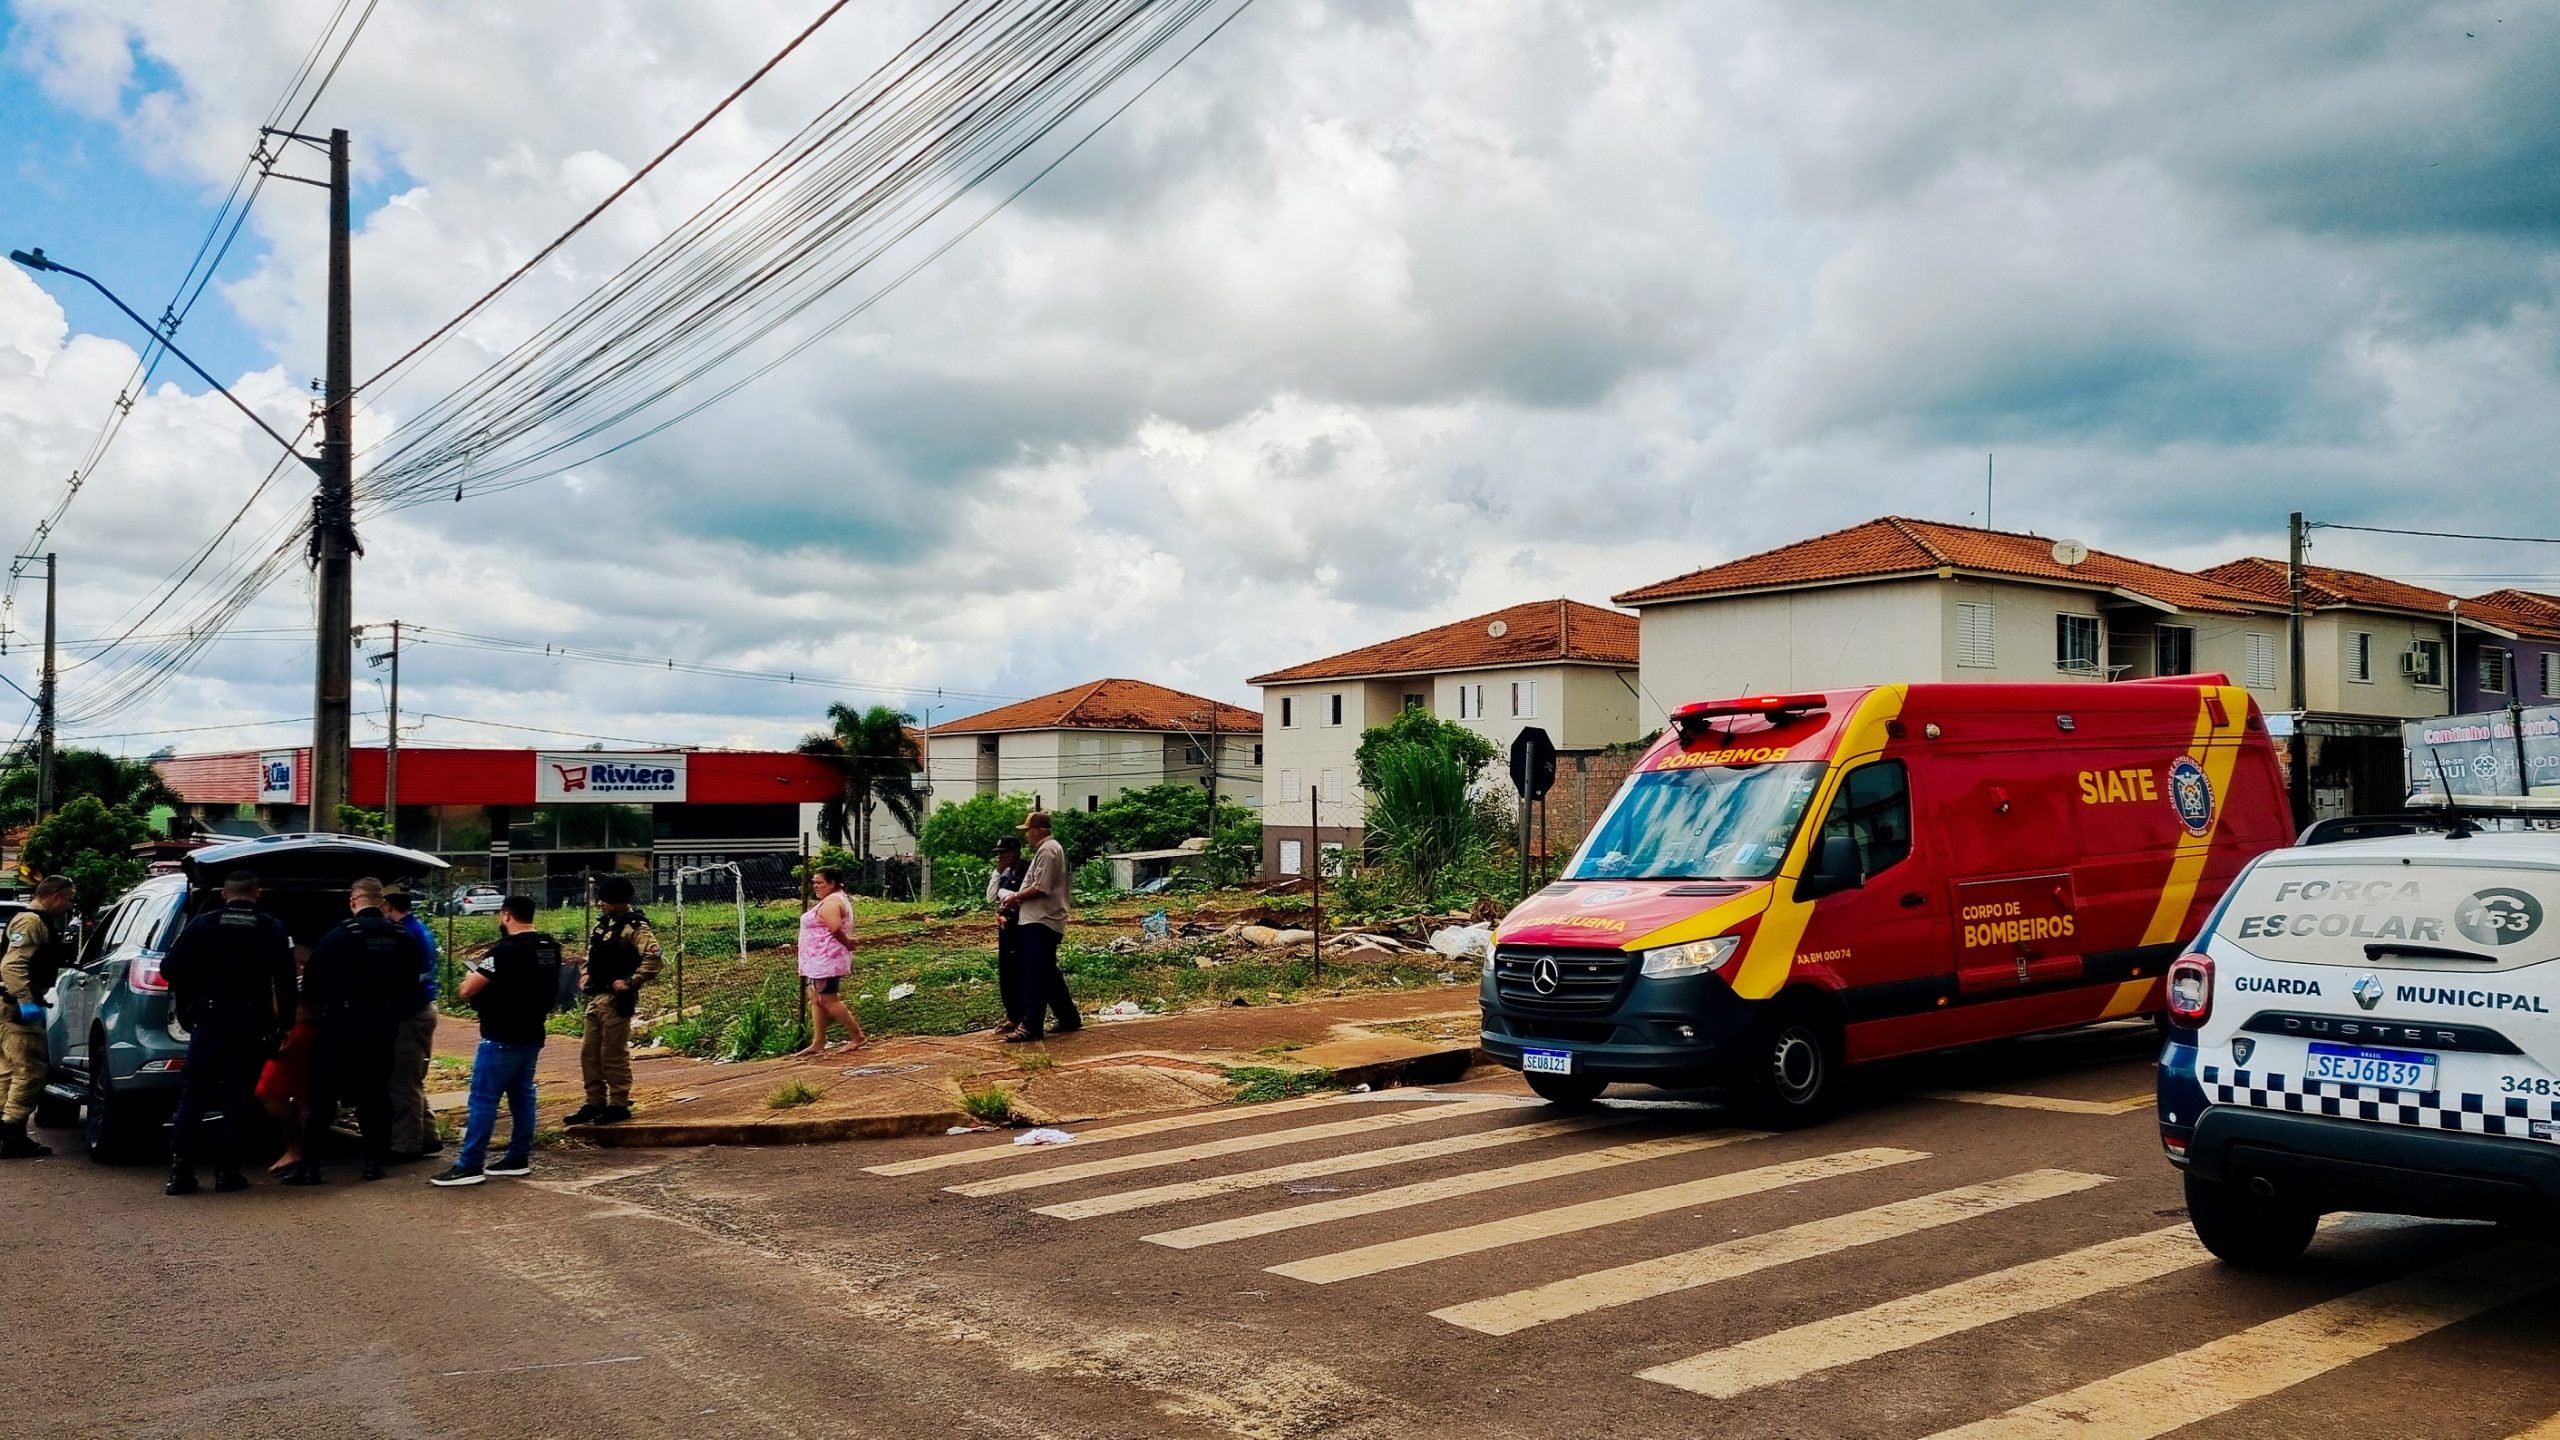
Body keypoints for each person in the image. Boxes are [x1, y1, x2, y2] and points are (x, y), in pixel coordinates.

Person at [283, 877, 426, 1185]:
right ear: (381, 902)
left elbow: (311, 985)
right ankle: (374, 1163)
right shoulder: (402, 937)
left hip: (340, 1026)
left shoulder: (339, 937)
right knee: (374, 1095)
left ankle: (311, 1168)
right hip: (382, 1027)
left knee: (323, 1097)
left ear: (353, 902)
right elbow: (413, 984)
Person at [160, 871, 296, 1194]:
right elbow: (286, 980)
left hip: (208, 1021)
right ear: (257, 893)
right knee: (237, 1098)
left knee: (193, 1096)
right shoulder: (271, 928)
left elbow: (169, 969)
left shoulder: (202, 925)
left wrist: (193, 997)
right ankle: (227, 1172)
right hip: (251, 1024)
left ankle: (181, 1172)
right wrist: (286, 1024)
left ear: (224, 894)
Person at [431, 897, 562, 1187]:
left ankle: (470, 1164)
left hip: (501, 1035)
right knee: (523, 1096)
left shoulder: (506, 950)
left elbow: (468, 989)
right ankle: (517, 1158)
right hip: (532, 1032)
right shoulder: (549, 947)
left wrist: (470, 973)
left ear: (506, 916)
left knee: (483, 1099)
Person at [564, 876, 661, 1126]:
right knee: (589, 1053)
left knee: (612, 1054)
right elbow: (591, 954)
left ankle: (619, 1103)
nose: (601, 904)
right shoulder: (603, 925)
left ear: (621, 902)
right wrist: (585, 974)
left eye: (606, 900)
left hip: (617, 1000)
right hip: (596, 997)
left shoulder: (635, 927)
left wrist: (630, 981)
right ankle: (593, 1102)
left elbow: (654, 959)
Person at [0, 876, 77, 1159]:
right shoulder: (31, 922)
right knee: (30, 1071)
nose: (70, 905)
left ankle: (7, 1131)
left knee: (9, 1069)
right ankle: (13, 1134)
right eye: (68, 899)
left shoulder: (33, 921)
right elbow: (11, 966)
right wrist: (25, 1000)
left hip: (9, 1004)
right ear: (54, 895)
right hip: (16, 1005)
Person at [1000, 811, 1079, 1043]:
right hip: (1039, 918)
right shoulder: (1046, 850)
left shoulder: (1048, 850)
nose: (1027, 837)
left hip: (1043, 919)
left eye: (1028, 832)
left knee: (1034, 974)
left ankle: (1032, 1025)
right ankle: (1068, 1017)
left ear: (1037, 830)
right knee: (1048, 972)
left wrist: (1015, 897)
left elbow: (1041, 887)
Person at [382, 890, 444, 1159]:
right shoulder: (419, 929)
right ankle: (428, 1136)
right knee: (412, 1077)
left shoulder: (405, 934)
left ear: (388, 906)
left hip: (412, 1012)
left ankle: (407, 1145)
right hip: (424, 1007)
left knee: (402, 1080)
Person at [796, 866, 865, 1056]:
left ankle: (857, 1036)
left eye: (820, 883)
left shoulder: (832, 902)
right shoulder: (831, 900)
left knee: (828, 1000)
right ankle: (818, 1042)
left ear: (832, 883)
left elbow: (834, 927)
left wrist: (847, 942)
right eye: (814, 883)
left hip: (826, 959)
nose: (816, 886)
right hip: (818, 960)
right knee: (816, 999)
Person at [987, 837, 1027, 1038]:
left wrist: (1007, 896)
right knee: (1007, 971)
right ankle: (1012, 1015)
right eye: (999, 853)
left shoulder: (1026, 869)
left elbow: (1021, 895)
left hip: (1024, 923)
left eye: (1005, 853)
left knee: (1022, 970)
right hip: (1006, 923)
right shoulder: (1004, 873)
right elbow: (990, 896)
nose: (1001, 857)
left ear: (1016, 851)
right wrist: (997, 872)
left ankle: (1024, 1016)